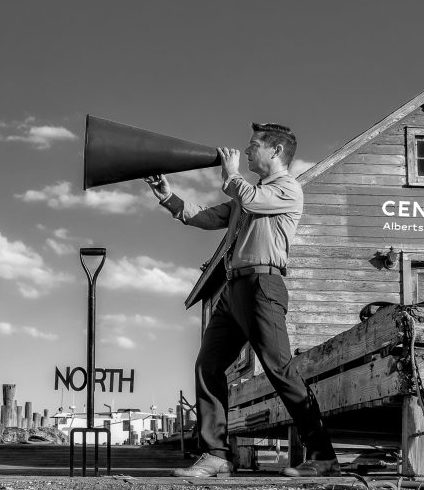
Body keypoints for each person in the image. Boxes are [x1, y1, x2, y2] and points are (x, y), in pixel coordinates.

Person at [145, 123, 339, 478]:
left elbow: (249, 198)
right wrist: (167, 197)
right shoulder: (247, 195)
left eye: (253, 146)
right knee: (207, 365)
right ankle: (217, 455)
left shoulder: (287, 190)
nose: (246, 152)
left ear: (276, 151)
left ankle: (323, 455)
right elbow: (207, 216)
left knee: (280, 370)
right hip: (233, 289)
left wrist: (231, 172)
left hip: (263, 285)